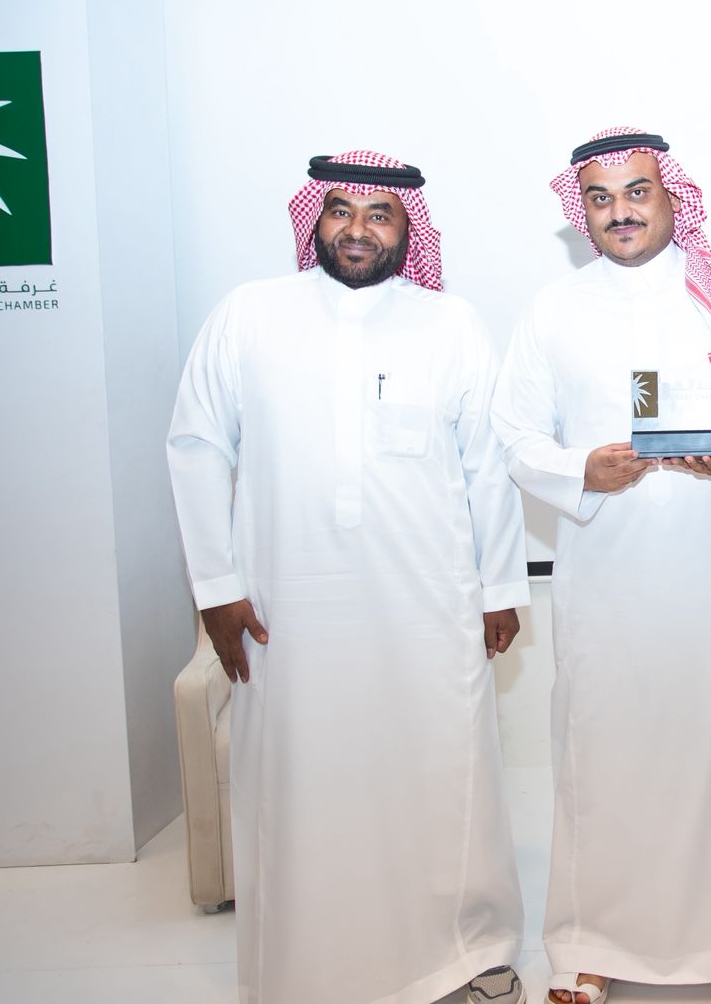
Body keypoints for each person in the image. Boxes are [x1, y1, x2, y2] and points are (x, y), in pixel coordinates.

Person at [167, 151, 530, 1004]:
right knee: (302, 785)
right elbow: (196, 446)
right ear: (315, 220)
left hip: (428, 607)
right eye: (340, 210)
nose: (357, 229)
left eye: (379, 214)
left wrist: (501, 586)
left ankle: (466, 954)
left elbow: (489, 466)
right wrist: (215, 587)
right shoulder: (249, 316)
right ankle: (307, 966)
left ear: (408, 230)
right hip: (287, 610)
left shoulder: (451, 325)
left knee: (441, 775)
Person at [490, 128, 711, 1004]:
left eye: (637, 192)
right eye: (600, 198)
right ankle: (593, 941)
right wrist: (579, 471)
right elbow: (515, 434)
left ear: (671, 196)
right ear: (581, 210)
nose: (619, 212)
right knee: (606, 752)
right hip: (607, 576)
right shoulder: (554, 310)